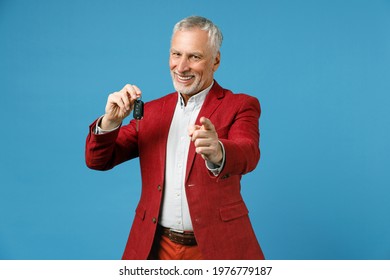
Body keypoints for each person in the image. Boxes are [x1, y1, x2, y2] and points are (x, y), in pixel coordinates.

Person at [85, 16, 265, 260]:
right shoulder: (151, 111)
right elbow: (98, 160)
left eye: (194, 57)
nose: (181, 67)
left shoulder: (241, 105)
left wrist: (218, 151)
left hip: (217, 248)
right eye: (176, 54)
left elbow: (248, 152)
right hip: (155, 247)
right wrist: (111, 122)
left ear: (216, 60)